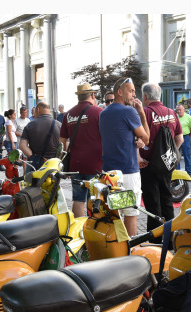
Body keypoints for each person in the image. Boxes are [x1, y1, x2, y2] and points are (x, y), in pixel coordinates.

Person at [98, 76, 150, 236]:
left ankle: (116, 252)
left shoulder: (104, 114)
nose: (134, 94)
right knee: (130, 213)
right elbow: (147, 137)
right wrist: (141, 113)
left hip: (109, 173)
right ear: (119, 92)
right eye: (131, 91)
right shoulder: (129, 111)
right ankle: (130, 252)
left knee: (114, 215)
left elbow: (118, 136)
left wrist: (135, 140)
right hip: (127, 172)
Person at [140, 83, 183, 234]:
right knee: (167, 199)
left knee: (152, 203)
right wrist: (171, 155)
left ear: (145, 96)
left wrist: (139, 157)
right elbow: (180, 139)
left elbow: (136, 139)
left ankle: (156, 239)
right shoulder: (172, 112)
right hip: (167, 164)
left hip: (148, 164)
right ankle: (170, 237)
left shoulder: (144, 113)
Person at [59, 83, 104, 217]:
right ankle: (94, 230)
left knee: (78, 200)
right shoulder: (98, 112)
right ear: (92, 95)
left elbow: (62, 141)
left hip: (75, 165)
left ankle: (78, 231)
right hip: (95, 164)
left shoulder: (68, 114)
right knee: (95, 201)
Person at [19, 102, 61, 170]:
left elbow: (22, 145)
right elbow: (64, 145)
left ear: (38, 109)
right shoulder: (59, 125)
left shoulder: (30, 125)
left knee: (31, 180)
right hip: (54, 164)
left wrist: (33, 157)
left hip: (35, 163)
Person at [176, 104, 191, 177]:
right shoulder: (175, 117)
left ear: (184, 110)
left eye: (180, 110)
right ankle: (177, 172)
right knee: (177, 156)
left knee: (187, 155)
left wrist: (189, 136)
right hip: (177, 137)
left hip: (185, 137)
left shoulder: (189, 117)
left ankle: (189, 173)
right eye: (178, 110)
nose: (179, 111)